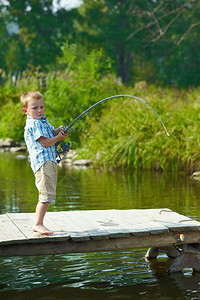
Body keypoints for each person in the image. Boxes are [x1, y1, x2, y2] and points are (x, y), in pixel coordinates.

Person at [21, 91, 69, 235]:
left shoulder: (42, 122)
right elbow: (46, 143)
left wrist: (58, 131)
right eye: (35, 108)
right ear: (26, 111)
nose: (39, 110)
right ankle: (38, 224)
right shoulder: (34, 124)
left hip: (49, 161)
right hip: (43, 163)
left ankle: (39, 223)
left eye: (41, 107)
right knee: (45, 195)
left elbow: (50, 135)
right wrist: (59, 138)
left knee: (48, 195)